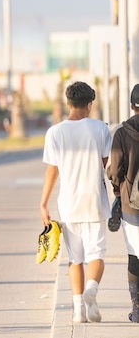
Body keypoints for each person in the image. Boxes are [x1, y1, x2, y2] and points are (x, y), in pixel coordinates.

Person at [39, 81, 111, 324]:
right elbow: (106, 164)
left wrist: (43, 203)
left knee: (75, 259)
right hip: (95, 203)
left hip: (69, 205)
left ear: (68, 103)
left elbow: (52, 171)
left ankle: (79, 310)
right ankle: (92, 290)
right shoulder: (101, 128)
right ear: (89, 105)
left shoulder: (54, 133)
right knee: (97, 255)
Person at [107, 83, 139, 323]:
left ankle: (137, 310)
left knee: (134, 255)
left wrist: (118, 190)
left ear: (131, 106)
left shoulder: (122, 132)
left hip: (131, 203)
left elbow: (116, 170)